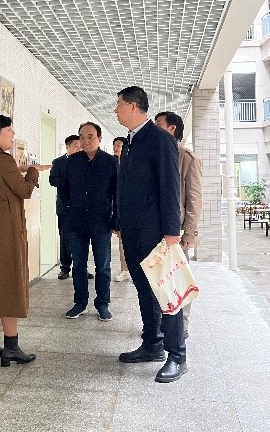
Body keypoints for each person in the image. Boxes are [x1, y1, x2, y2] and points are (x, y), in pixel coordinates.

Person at [115, 86, 187, 383]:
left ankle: (177, 356)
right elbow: (124, 186)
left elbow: (170, 186)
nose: (116, 109)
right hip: (132, 229)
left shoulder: (160, 139)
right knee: (144, 288)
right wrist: (119, 221)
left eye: (119, 104)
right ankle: (152, 344)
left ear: (133, 106)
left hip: (154, 231)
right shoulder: (130, 141)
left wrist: (172, 230)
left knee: (165, 290)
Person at [0, 115, 50, 367]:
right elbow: (24, 191)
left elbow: (0, 181)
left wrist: (20, 170)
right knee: (10, 282)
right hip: (6, 228)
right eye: (9, 131)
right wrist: (33, 171)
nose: (12, 135)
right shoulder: (4, 160)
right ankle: (11, 347)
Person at [154, 111, 202, 339]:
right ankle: (158, 325)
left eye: (159, 124)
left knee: (178, 279)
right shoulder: (156, 155)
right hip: (155, 230)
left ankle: (181, 326)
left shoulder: (187, 158)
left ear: (172, 128)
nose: (155, 128)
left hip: (178, 232)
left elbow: (194, 198)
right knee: (157, 279)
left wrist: (189, 233)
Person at [64, 122, 117, 321]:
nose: (85, 141)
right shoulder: (72, 161)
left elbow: (117, 193)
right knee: (78, 265)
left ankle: (102, 303)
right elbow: (65, 189)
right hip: (76, 222)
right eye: (81, 137)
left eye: (90, 136)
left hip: (101, 221)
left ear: (99, 139)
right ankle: (80, 302)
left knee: (103, 265)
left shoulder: (110, 162)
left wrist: (116, 220)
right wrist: (68, 211)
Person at [49, 135, 93, 280]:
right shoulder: (58, 162)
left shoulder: (86, 161)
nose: (79, 148)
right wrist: (69, 179)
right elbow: (53, 180)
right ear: (67, 147)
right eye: (75, 146)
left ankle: (82, 268)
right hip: (65, 208)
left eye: (80, 146)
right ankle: (65, 268)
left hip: (82, 209)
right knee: (66, 240)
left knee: (83, 240)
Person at [112, 137, 130, 282]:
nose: (116, 148)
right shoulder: (110, 162)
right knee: (122, 241)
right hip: (117, 208)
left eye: (119, 145)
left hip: (131, 207)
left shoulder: (131, 162)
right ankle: (124, 269)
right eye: (115, 145)